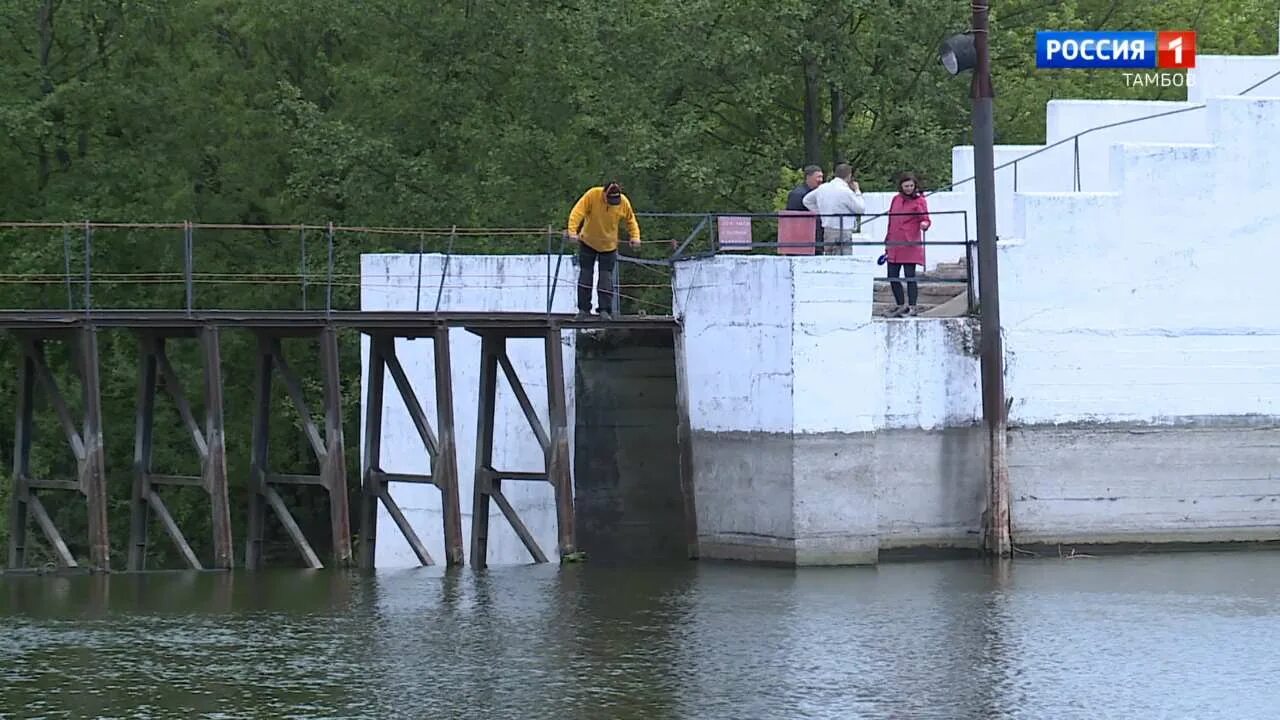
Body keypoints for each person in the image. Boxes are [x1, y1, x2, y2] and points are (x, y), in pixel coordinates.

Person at [566, 181, 641, 320]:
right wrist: (572, 232)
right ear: (604, 194)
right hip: (588, 242)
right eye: (611, 199)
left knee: (606, 278)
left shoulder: (623, 202)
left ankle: (605, 310)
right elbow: (577, 213)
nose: (613, 202)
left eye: (615, 199)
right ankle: (584, 310)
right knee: (585, 276)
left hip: (609, 246)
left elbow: (631, 220)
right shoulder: (592, 195)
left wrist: (635, 237)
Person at [884, 172, 931, 317]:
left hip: (910, 243)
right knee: (892, 276)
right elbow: (891, 220)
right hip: (894, 242)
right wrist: (887, 241)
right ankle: (900, 304)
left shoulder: (919, 201)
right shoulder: (896, 199)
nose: (909, 188)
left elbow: (926, 219)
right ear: (901, 186)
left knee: (910, 276)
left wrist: (924, 224)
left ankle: (912, 306)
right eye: (906, 186)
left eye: (911, 185)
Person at [802, 162, 864, 255]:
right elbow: (860, 209)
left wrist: (822, 212)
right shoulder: (845, 191)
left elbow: (807, 200)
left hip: (827, 229)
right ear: (849, 175)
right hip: (843, 230)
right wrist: (857, 191)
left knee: (829, 258)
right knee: (843, 261)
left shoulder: (823, 188)